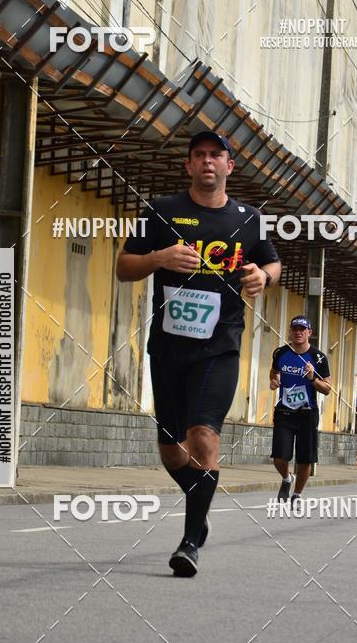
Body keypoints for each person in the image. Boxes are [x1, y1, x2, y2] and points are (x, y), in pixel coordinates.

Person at [116, 131, 281, 577]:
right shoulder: (162, 211)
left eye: (216, 155)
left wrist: (262, 278)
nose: (208, 162)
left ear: (230, 166)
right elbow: (123, 267)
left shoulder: (249, 220)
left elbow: (273, 264)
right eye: (199, 156)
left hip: (220, 347)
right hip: (168, 347)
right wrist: (159, 258)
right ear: (188, 166)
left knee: (203, 436)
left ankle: (189, 542)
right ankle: (200, 500)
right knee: (172, 450)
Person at [269, 316, 331, 502]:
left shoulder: (318, 357)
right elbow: (273, 372)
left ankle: (297, 494)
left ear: (309, 333)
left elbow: (327, 389)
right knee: (279, 457)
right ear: (290, 331)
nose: (298, 332)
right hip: (284, 412)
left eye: (302, 329)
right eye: (295, 329)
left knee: (305, 459)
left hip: (307, 414)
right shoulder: (280, 353)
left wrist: (312, 378)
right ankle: (287, 478)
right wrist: (274, 381)